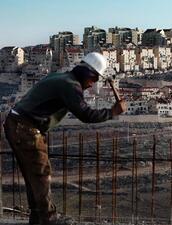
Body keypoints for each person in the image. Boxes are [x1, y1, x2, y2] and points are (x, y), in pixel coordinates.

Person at [3, 52, 127, 225]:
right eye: (94, 79)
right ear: (88, 74)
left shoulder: (61, 77)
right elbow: (86, 114)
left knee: (33, 175)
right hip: (26, 128)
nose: (92, 84)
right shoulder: (70, 86)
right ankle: (48, 218)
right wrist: (113, 112)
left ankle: (38, 217)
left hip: (17, 124)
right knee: (40, 173)